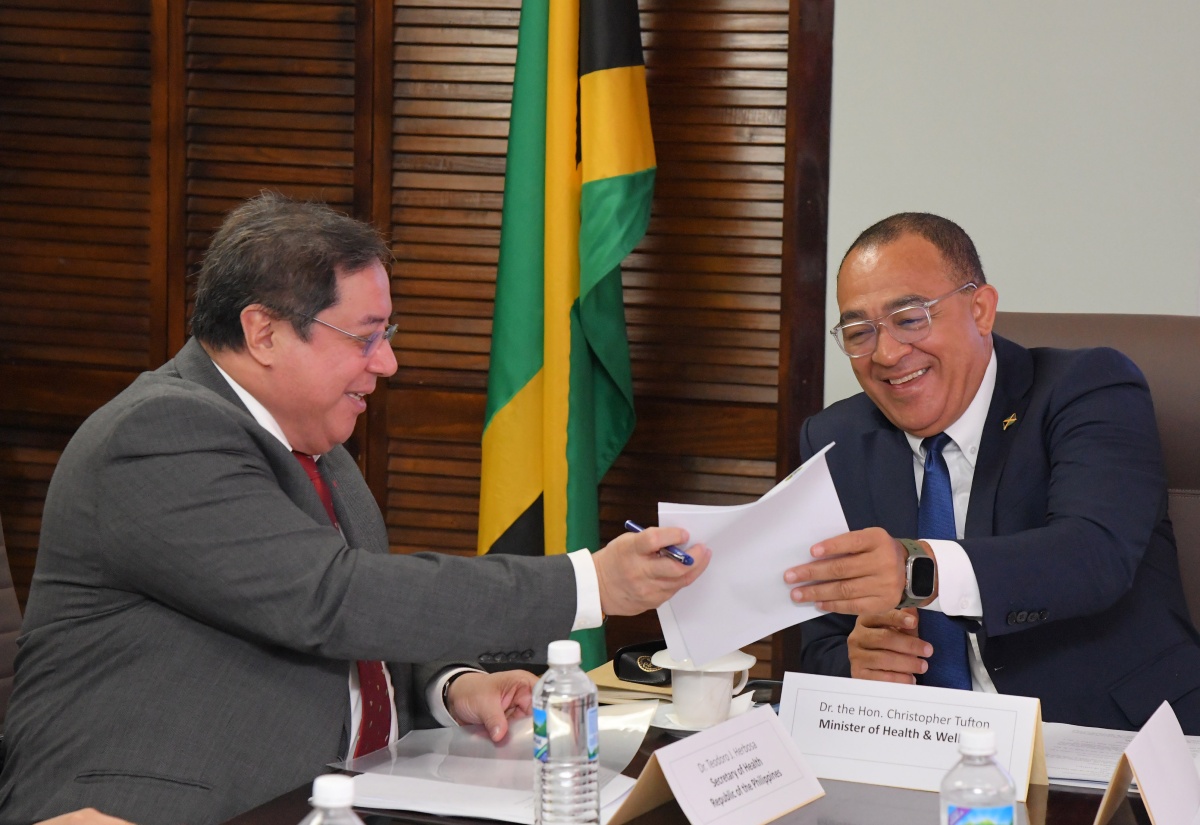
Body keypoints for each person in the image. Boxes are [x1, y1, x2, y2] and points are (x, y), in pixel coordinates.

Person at [0, 193, 710, 825]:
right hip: (165, 805)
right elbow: (330, 598)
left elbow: (355, 608)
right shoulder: (158, 436)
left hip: (336, 791)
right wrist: (591, 584)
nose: (387, 363)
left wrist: (452, 683)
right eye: (364, 337)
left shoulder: (314, 440)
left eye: (387, 335)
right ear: (264, 331)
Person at [783, 212, 1200, 733]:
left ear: (980, 309)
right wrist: (858, 664)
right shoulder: (835, 439)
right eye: (859, 332)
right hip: (918, 747)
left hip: (1108, 740)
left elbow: (1094, 554)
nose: (887, 354)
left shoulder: (1088, 388)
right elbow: (819, 639)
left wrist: (919, 568)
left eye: (910, 319)